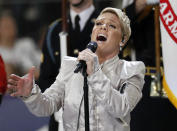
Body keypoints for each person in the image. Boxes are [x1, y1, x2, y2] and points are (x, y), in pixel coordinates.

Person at [7, 7, 145, 131]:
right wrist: (30, 94)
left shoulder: (132, 70)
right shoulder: (71, 65)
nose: (103, 28)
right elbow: (48, 105)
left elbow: (122, 108)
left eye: (112, 26)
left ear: (123, 40)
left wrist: (95, 72)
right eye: (98, 24)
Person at [37, 0, 99, 130]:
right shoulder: (55, 29)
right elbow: (46, 78)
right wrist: (57, 102)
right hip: (61, 121)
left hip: (96, 120)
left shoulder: (106, 26)